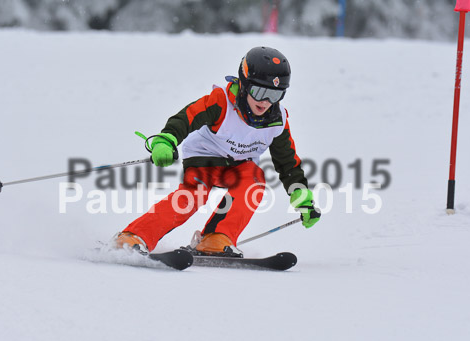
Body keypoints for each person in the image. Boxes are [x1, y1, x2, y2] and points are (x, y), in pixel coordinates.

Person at [114, 46, 320, 255]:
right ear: (244, 85)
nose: (265, 102)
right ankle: (134, 236)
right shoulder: (221, 101)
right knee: (193, 197)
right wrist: (166, 141)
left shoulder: (277, 121)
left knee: (255, 181)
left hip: (239, 167)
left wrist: (301, 196)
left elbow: (287, 163)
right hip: (205, 159)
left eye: (275, 95)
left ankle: (216, 238)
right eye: (259, 92)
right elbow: (186, 118)